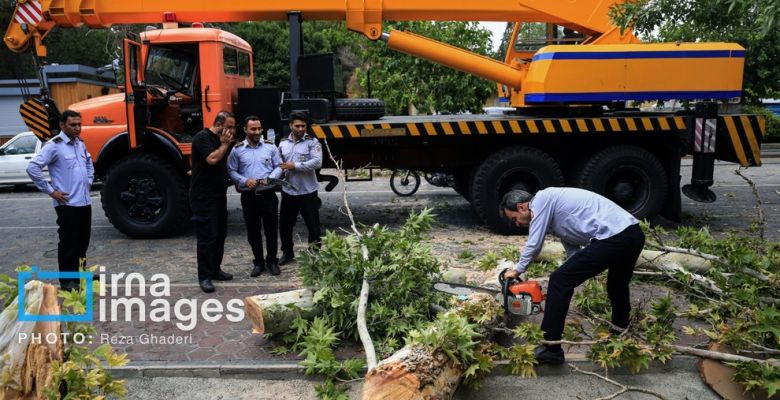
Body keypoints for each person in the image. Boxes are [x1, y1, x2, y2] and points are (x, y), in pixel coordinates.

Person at [500, 187, 645, 365]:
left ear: (522, 207)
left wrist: (518, 269)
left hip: (615, 237)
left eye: (514, 218)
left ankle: (551, 347)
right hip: (633, 233)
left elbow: (535, 243)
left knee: (559, 281)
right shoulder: (553, 207)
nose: (517, 224)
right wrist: (572, 269)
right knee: (617, 286)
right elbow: (572, 246)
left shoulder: (542, 201)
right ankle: (621, 336)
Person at [27, 110, 94, 291]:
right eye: (73, 125)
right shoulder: (54, 146)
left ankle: (80, 274)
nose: (77, 128)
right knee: (68, 243)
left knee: (82, 241)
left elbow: (88, 163)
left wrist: (88, 181)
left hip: (84, 201)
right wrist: (51, 191)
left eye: (79, 124)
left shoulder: (80, 144)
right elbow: (33, 168)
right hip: (68, 203)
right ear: (62, 125)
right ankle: (67, 281)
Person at [228, 116, 283, 276]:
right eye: (253, 129)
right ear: (245, 130)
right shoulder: (237, 150)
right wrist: (245, 181)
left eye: (259, 128)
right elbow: (231, 170)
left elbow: (279, 166)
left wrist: (270, 178)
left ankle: (272, 261)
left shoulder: (270, 147)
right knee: (253, 231)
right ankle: (258, 262)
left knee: (271, 230)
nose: (257, 132)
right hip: (249, 197)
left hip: (268, 195)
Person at [190, 111, 236, 293]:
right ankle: (205, 277)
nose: (232, 130)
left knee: (219, 234)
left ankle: (215, 269)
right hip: (203, 196)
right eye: (229, 126)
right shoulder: (202, 138)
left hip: (218, 195)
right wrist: (225, 144)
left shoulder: (222, 139)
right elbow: (212, 159)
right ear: (218, 123)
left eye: (234, 127)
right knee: (207, 237)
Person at [278, 111, 323, 266]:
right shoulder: (282, 143)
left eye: (303, 126)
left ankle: (315, 255)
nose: (300, 128)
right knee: (284, 225)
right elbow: (279, 164)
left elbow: (317, 162)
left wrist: (294, 166)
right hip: (289, 191)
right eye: (297, 125)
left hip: (308, 191)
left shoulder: (312, 142)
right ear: (291, 126)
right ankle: (287, 253)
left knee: (313, 226)